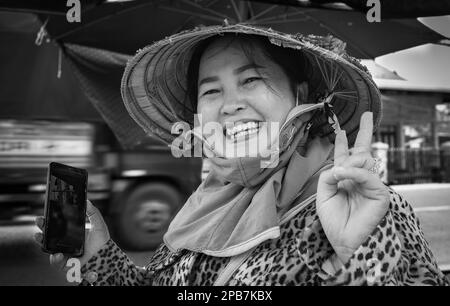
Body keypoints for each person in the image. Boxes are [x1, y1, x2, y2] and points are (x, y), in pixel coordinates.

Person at [35, 24, 448, 286]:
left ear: (300, 96)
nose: (230, 105)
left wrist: (354, 254)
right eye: (211, 90)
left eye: (251, 80)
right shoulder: (206, 203)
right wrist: (99, 257)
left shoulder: (370, 206)